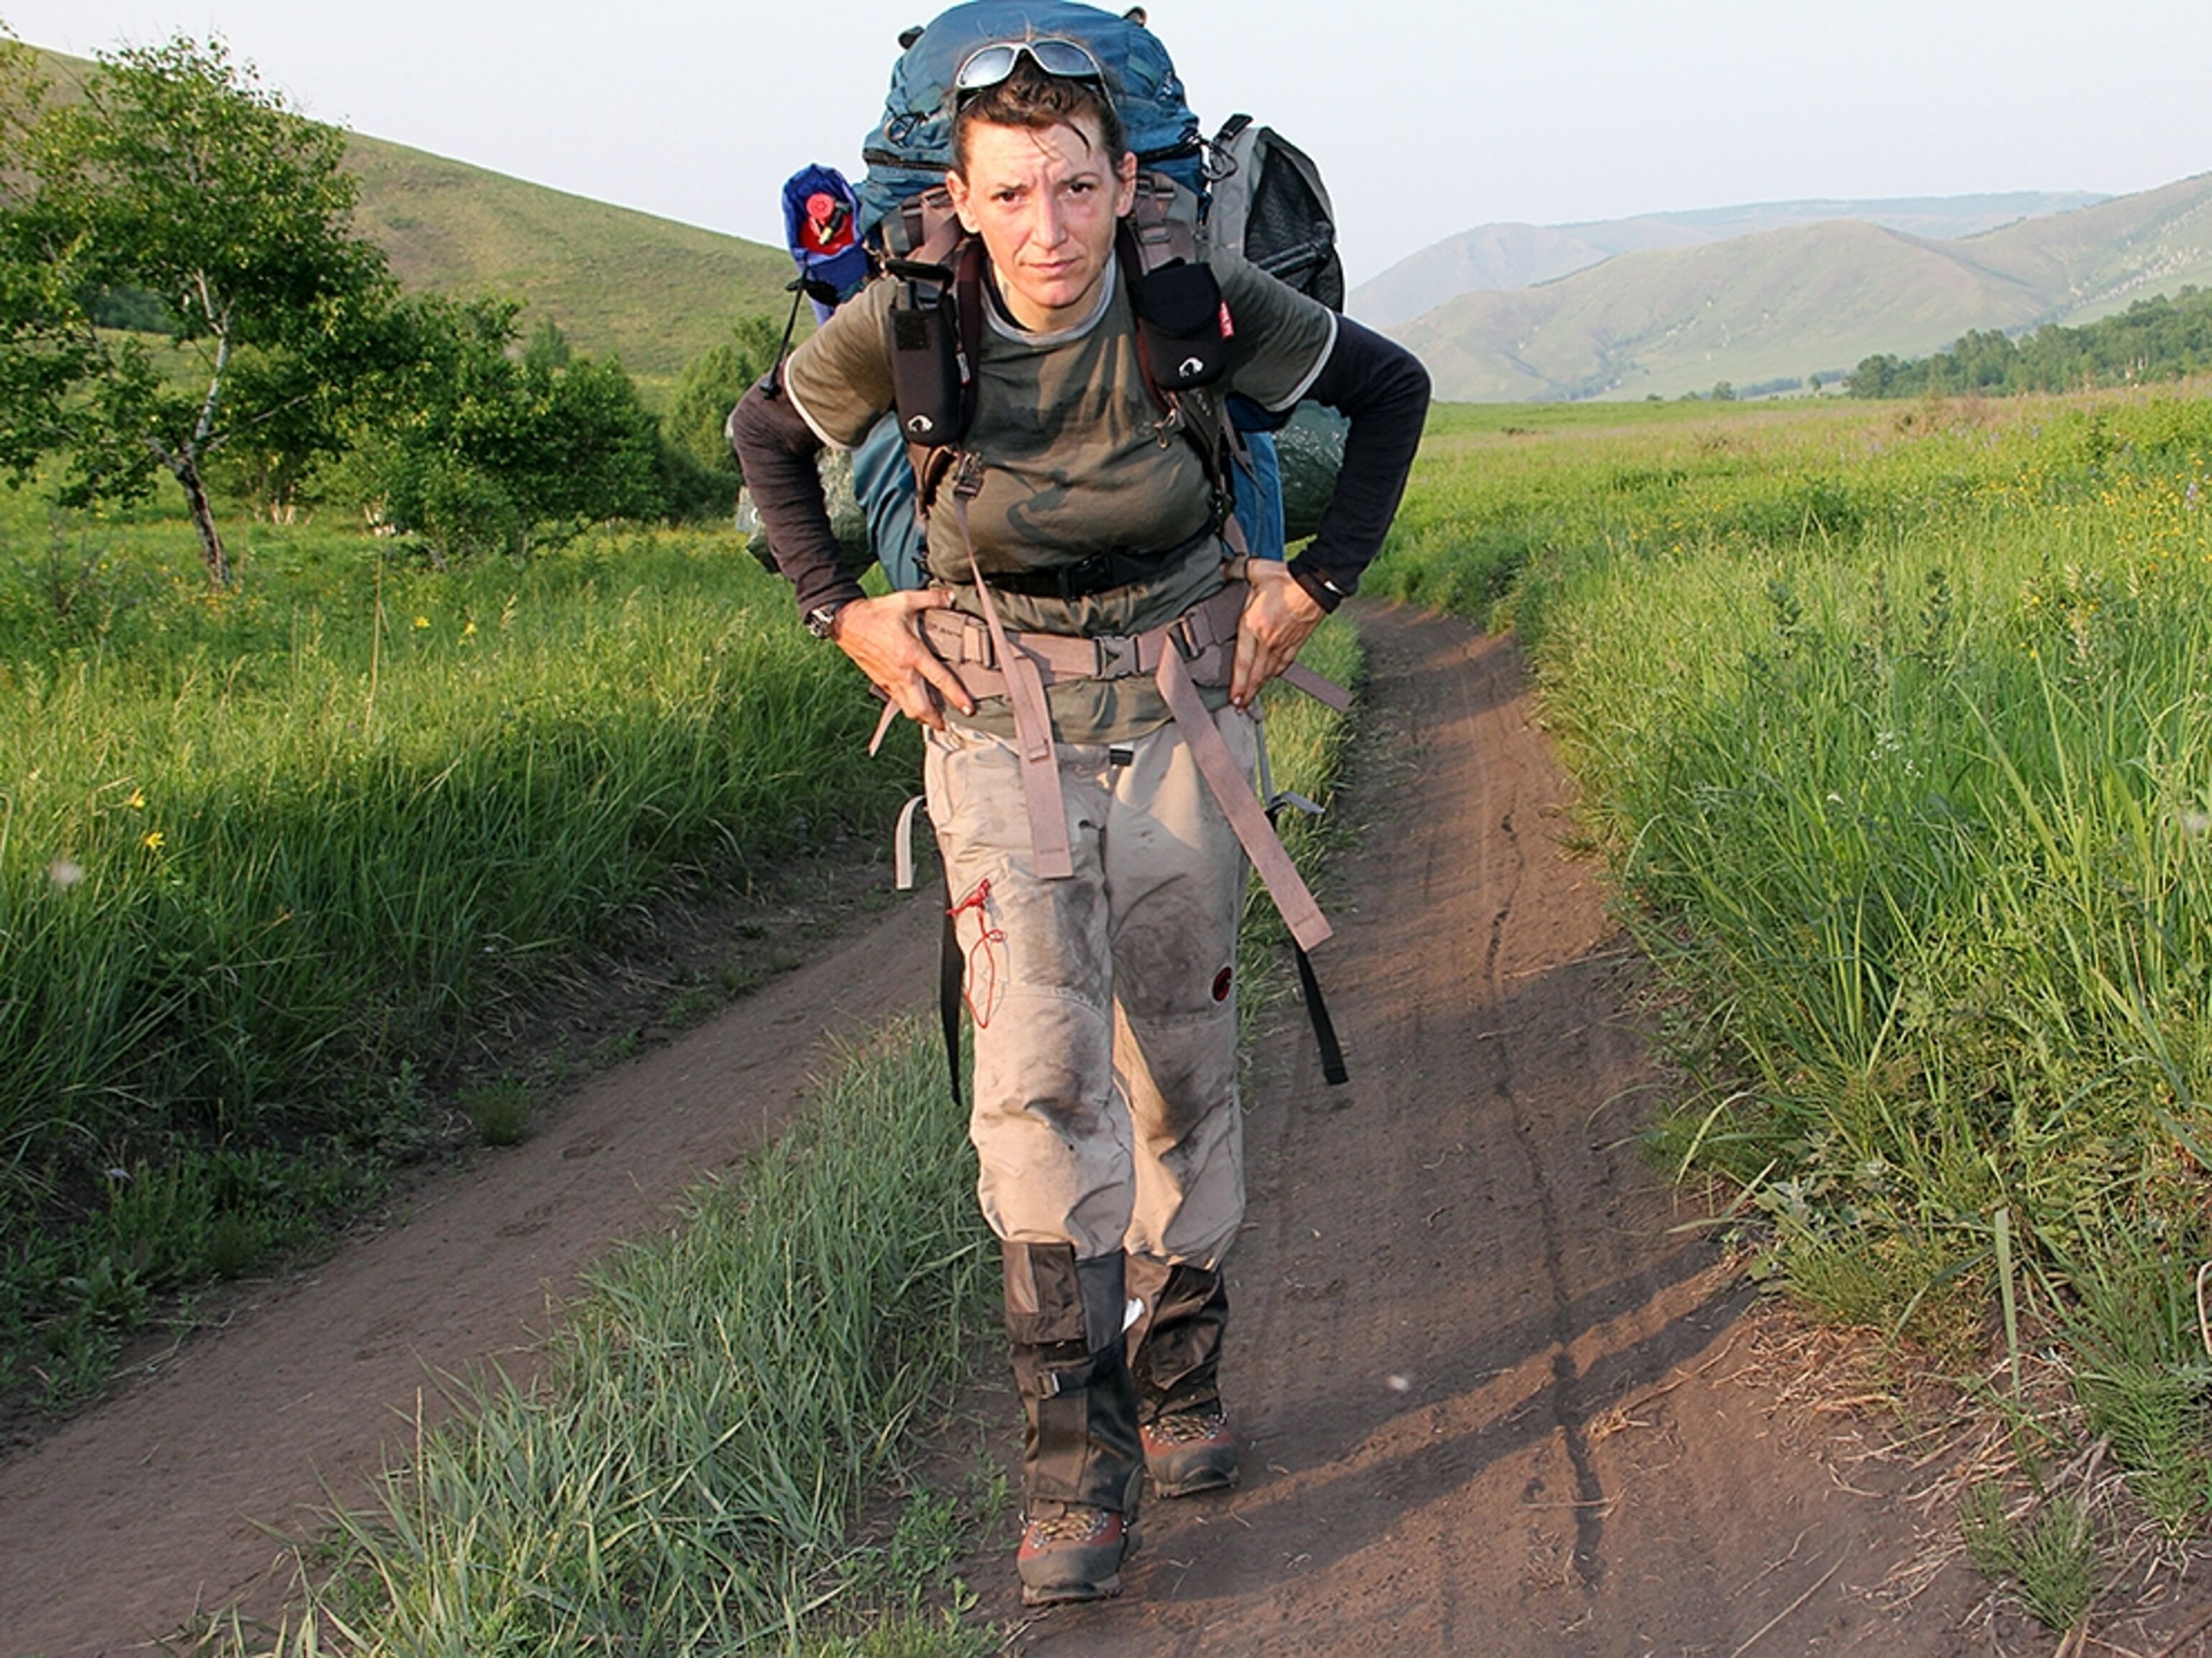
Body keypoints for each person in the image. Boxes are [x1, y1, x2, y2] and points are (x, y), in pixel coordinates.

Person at [730, 40, 1428, 1606]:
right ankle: (1074, 1466)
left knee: (1180, 1064)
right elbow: (766, 437)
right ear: (960, 208)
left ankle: (1180, 1386)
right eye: (1009, 194)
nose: (1047, 226)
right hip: (995, 731)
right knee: (1040, 1083)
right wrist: (840, 609)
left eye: (1074, 186)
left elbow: (1389, 391)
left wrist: (1315, 585)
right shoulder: (913, 323)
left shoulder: (1199, 312)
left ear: (1125, 187)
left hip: (1182, 717)